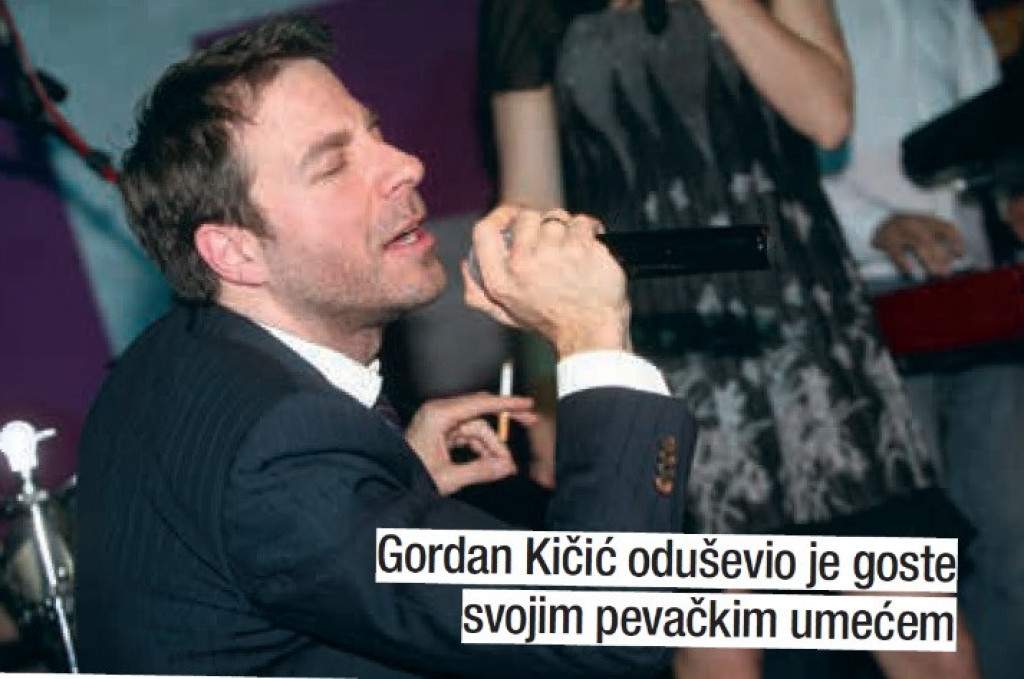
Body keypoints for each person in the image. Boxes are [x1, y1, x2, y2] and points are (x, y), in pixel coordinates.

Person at [73, 15, 697, 678]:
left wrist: (382, 485)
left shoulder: (168, 358)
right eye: (333, 165)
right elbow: (607, 620)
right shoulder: (279, 457)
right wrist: (594, 333)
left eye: (373, 133)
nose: (407, 165)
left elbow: (288, 550)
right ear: (234, 251)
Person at [479, 1, 979, 677]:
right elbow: (533, 211)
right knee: (715, 637)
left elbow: (828, 115)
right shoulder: (527, 10)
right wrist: (547, 390)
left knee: (911, 618)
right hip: (655, 339)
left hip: (801, 323)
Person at [822, 2, 1024, 678]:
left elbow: (988, 124)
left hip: (977, 291)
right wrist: (871, 225)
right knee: (905, 557)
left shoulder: (948, 6)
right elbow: (786, 146)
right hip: (857, 298)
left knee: (1011, 536)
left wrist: (1011, 195)